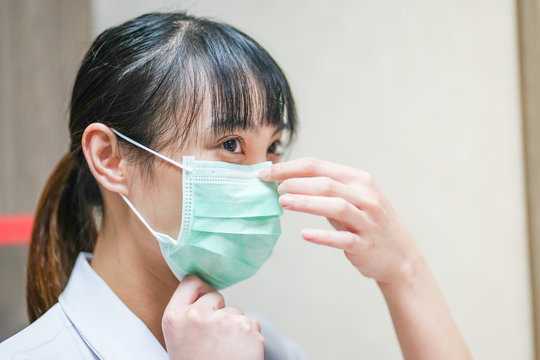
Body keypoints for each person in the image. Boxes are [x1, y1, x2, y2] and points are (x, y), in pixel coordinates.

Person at [0, 12, 471, 360]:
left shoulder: (260, 346)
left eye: (273, 147)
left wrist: (403, 271)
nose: (264, 176)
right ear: (110, 158)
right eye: (230, 143)